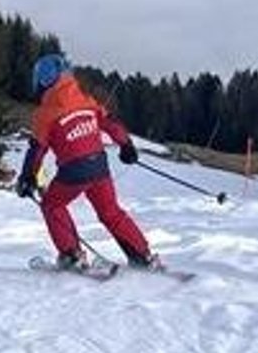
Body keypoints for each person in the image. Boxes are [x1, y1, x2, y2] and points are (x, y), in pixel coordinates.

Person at [16, 53, 158, 269]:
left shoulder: (46, 113)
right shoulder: (86, 99)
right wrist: (126, 145)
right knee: (111, 212)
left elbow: (37, 149)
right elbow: (109, 122)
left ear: (44, 81)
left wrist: (28, 177)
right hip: (100, 166)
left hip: (74, 170)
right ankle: (143, 256)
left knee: (52, 205)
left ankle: (72, 255)